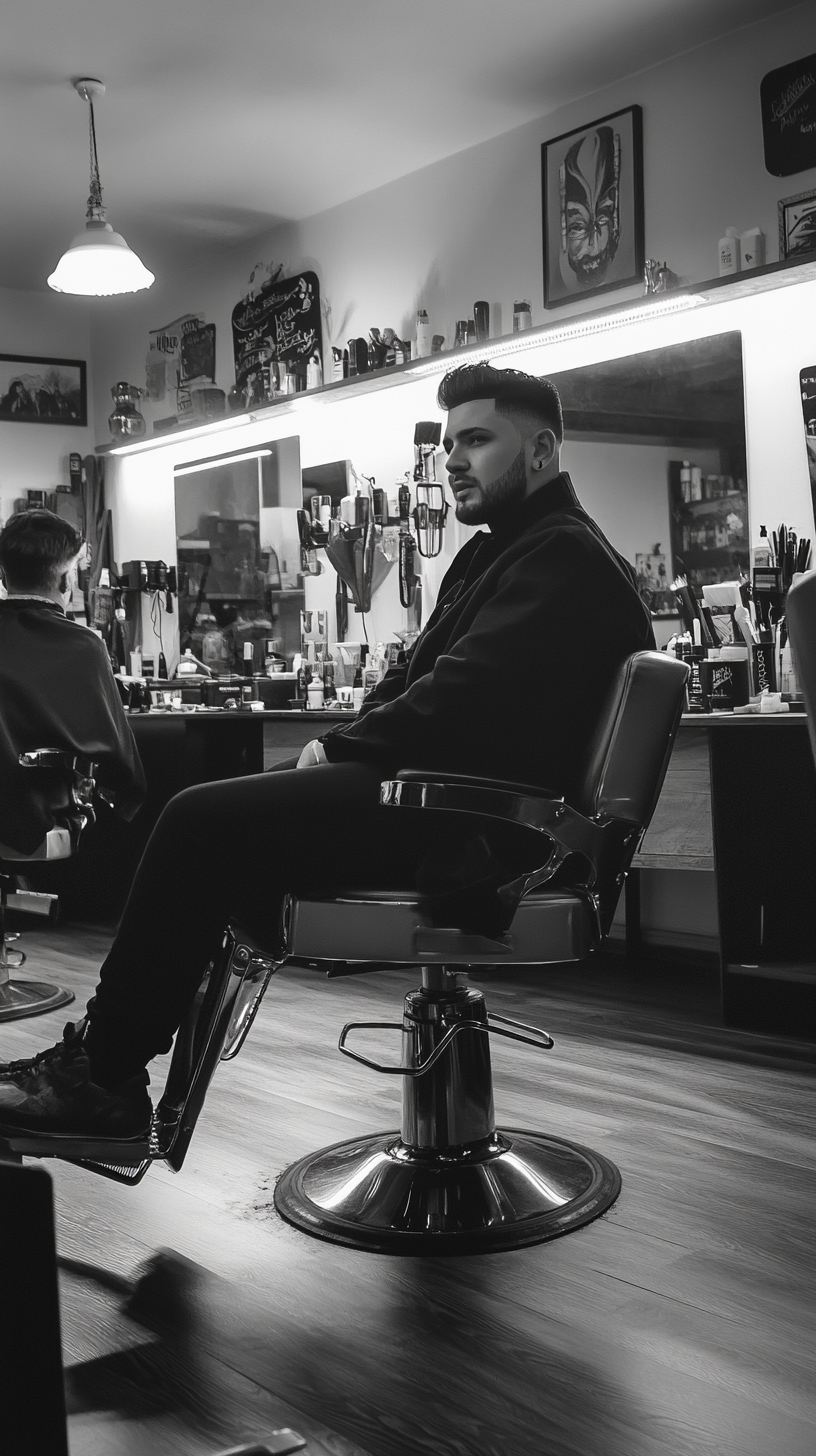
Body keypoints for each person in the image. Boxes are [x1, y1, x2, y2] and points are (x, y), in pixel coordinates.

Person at [0, 365, 654, 1146]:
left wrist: (338, 744)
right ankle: (107, 1061)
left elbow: (461, 699)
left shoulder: (563, 557)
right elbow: (418, 682)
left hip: (485, 833)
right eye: (448, 445)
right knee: (218, 815)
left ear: (543, 449)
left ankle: (103, 1076)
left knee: (196, 821)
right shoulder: (500, 553)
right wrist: (340, 742)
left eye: (476, 440)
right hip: (452, 806)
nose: (453, 460)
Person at [0, 509, 145, 853]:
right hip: (37, 817)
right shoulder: (83, 645)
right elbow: (118, 756)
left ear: (4, 577)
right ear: (66, 582)